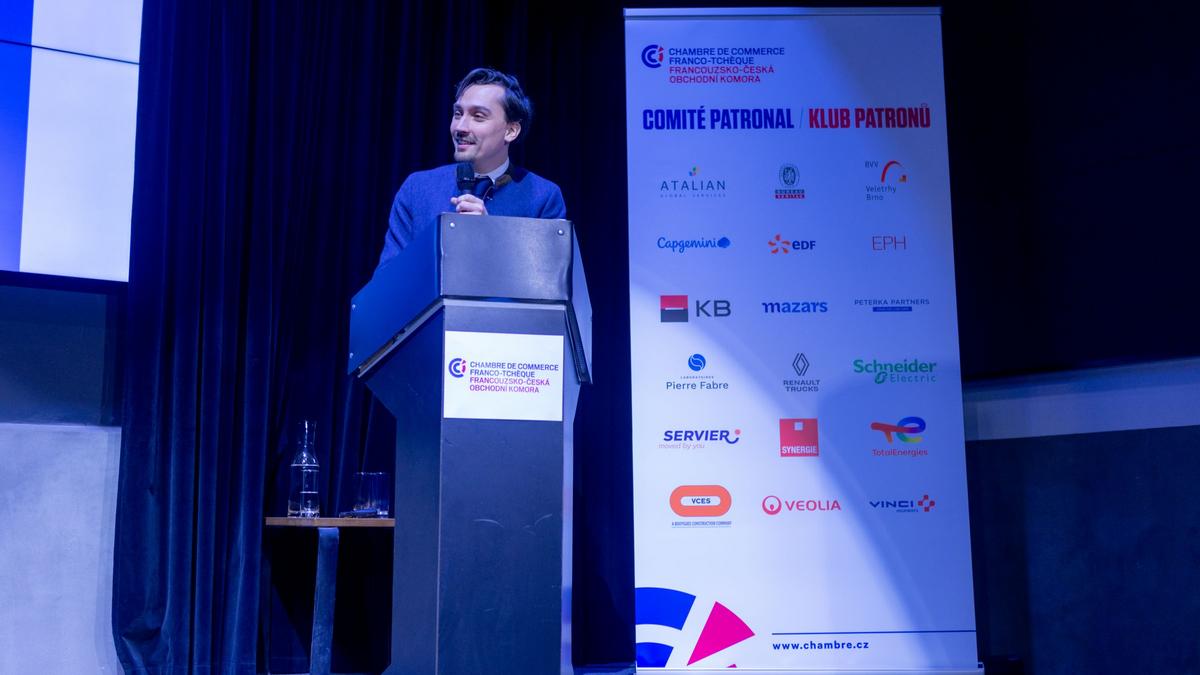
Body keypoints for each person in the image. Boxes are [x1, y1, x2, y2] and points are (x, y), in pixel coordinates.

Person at [377, 68, 566, 267]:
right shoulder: (418, 189)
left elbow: (548, 280)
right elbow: (387, 277)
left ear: (511, 131)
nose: (460, 127)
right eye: (458, 114)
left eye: (478, 116)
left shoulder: (542, 197)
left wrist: (491, 238)